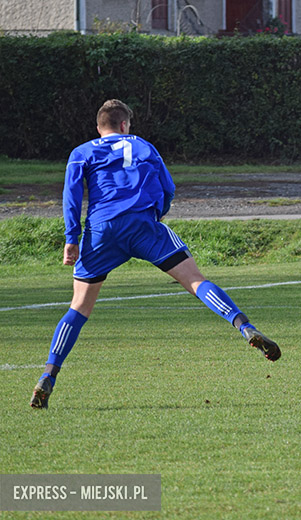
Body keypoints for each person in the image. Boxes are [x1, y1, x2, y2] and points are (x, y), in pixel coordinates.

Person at [30, 99, 280, 409]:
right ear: (125, 125)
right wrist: (156, 215)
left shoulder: (82, 151)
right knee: (195, 281)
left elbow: (71, 194)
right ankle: (245, 327)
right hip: (143, 224)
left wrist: (72, 237)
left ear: (100, 127)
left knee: (79, 307)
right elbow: (168, 188)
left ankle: (48, 376)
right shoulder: (144, 146)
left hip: (101, 230)